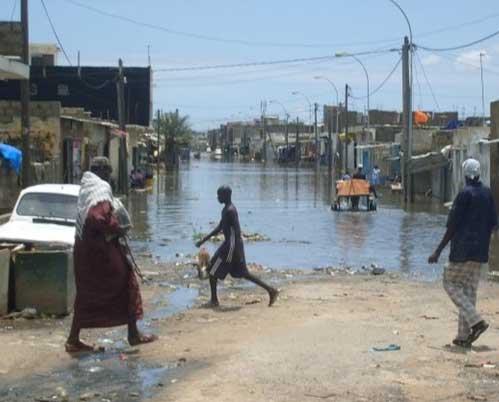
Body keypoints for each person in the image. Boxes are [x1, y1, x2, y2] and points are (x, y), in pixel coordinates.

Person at [65, 170, 156, 353]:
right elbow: (96, 218)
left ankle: (73, 339)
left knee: (86, 295)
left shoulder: (87, 192)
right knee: (128, 284)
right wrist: (116, 227)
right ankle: (133, 335)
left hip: (85, 255)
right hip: (100, 255)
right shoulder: (101, 191)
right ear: (104, 172)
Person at [428, 158, 497, 348]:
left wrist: (437, 251)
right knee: (468, 291)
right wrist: (485, 246)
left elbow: (452, 226)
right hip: (480, 252)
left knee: (449, 282)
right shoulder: (487, 194)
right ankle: (463, 336)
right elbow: (493, 224)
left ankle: (477, 322)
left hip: (462, 251)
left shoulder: (464, 194)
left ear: (465, 175)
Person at [195, 185, 279, 307]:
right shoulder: (225, 210)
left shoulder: (231, 211)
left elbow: (236, 233)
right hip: (230, 245)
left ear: (226, 196)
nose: (218, 197)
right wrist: (204, 240)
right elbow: (220, 227)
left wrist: (231, 251)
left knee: (213, 271)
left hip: (231, 247)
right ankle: (271, 290)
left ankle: (214, 300)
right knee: (243, 273)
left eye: (220, 195)